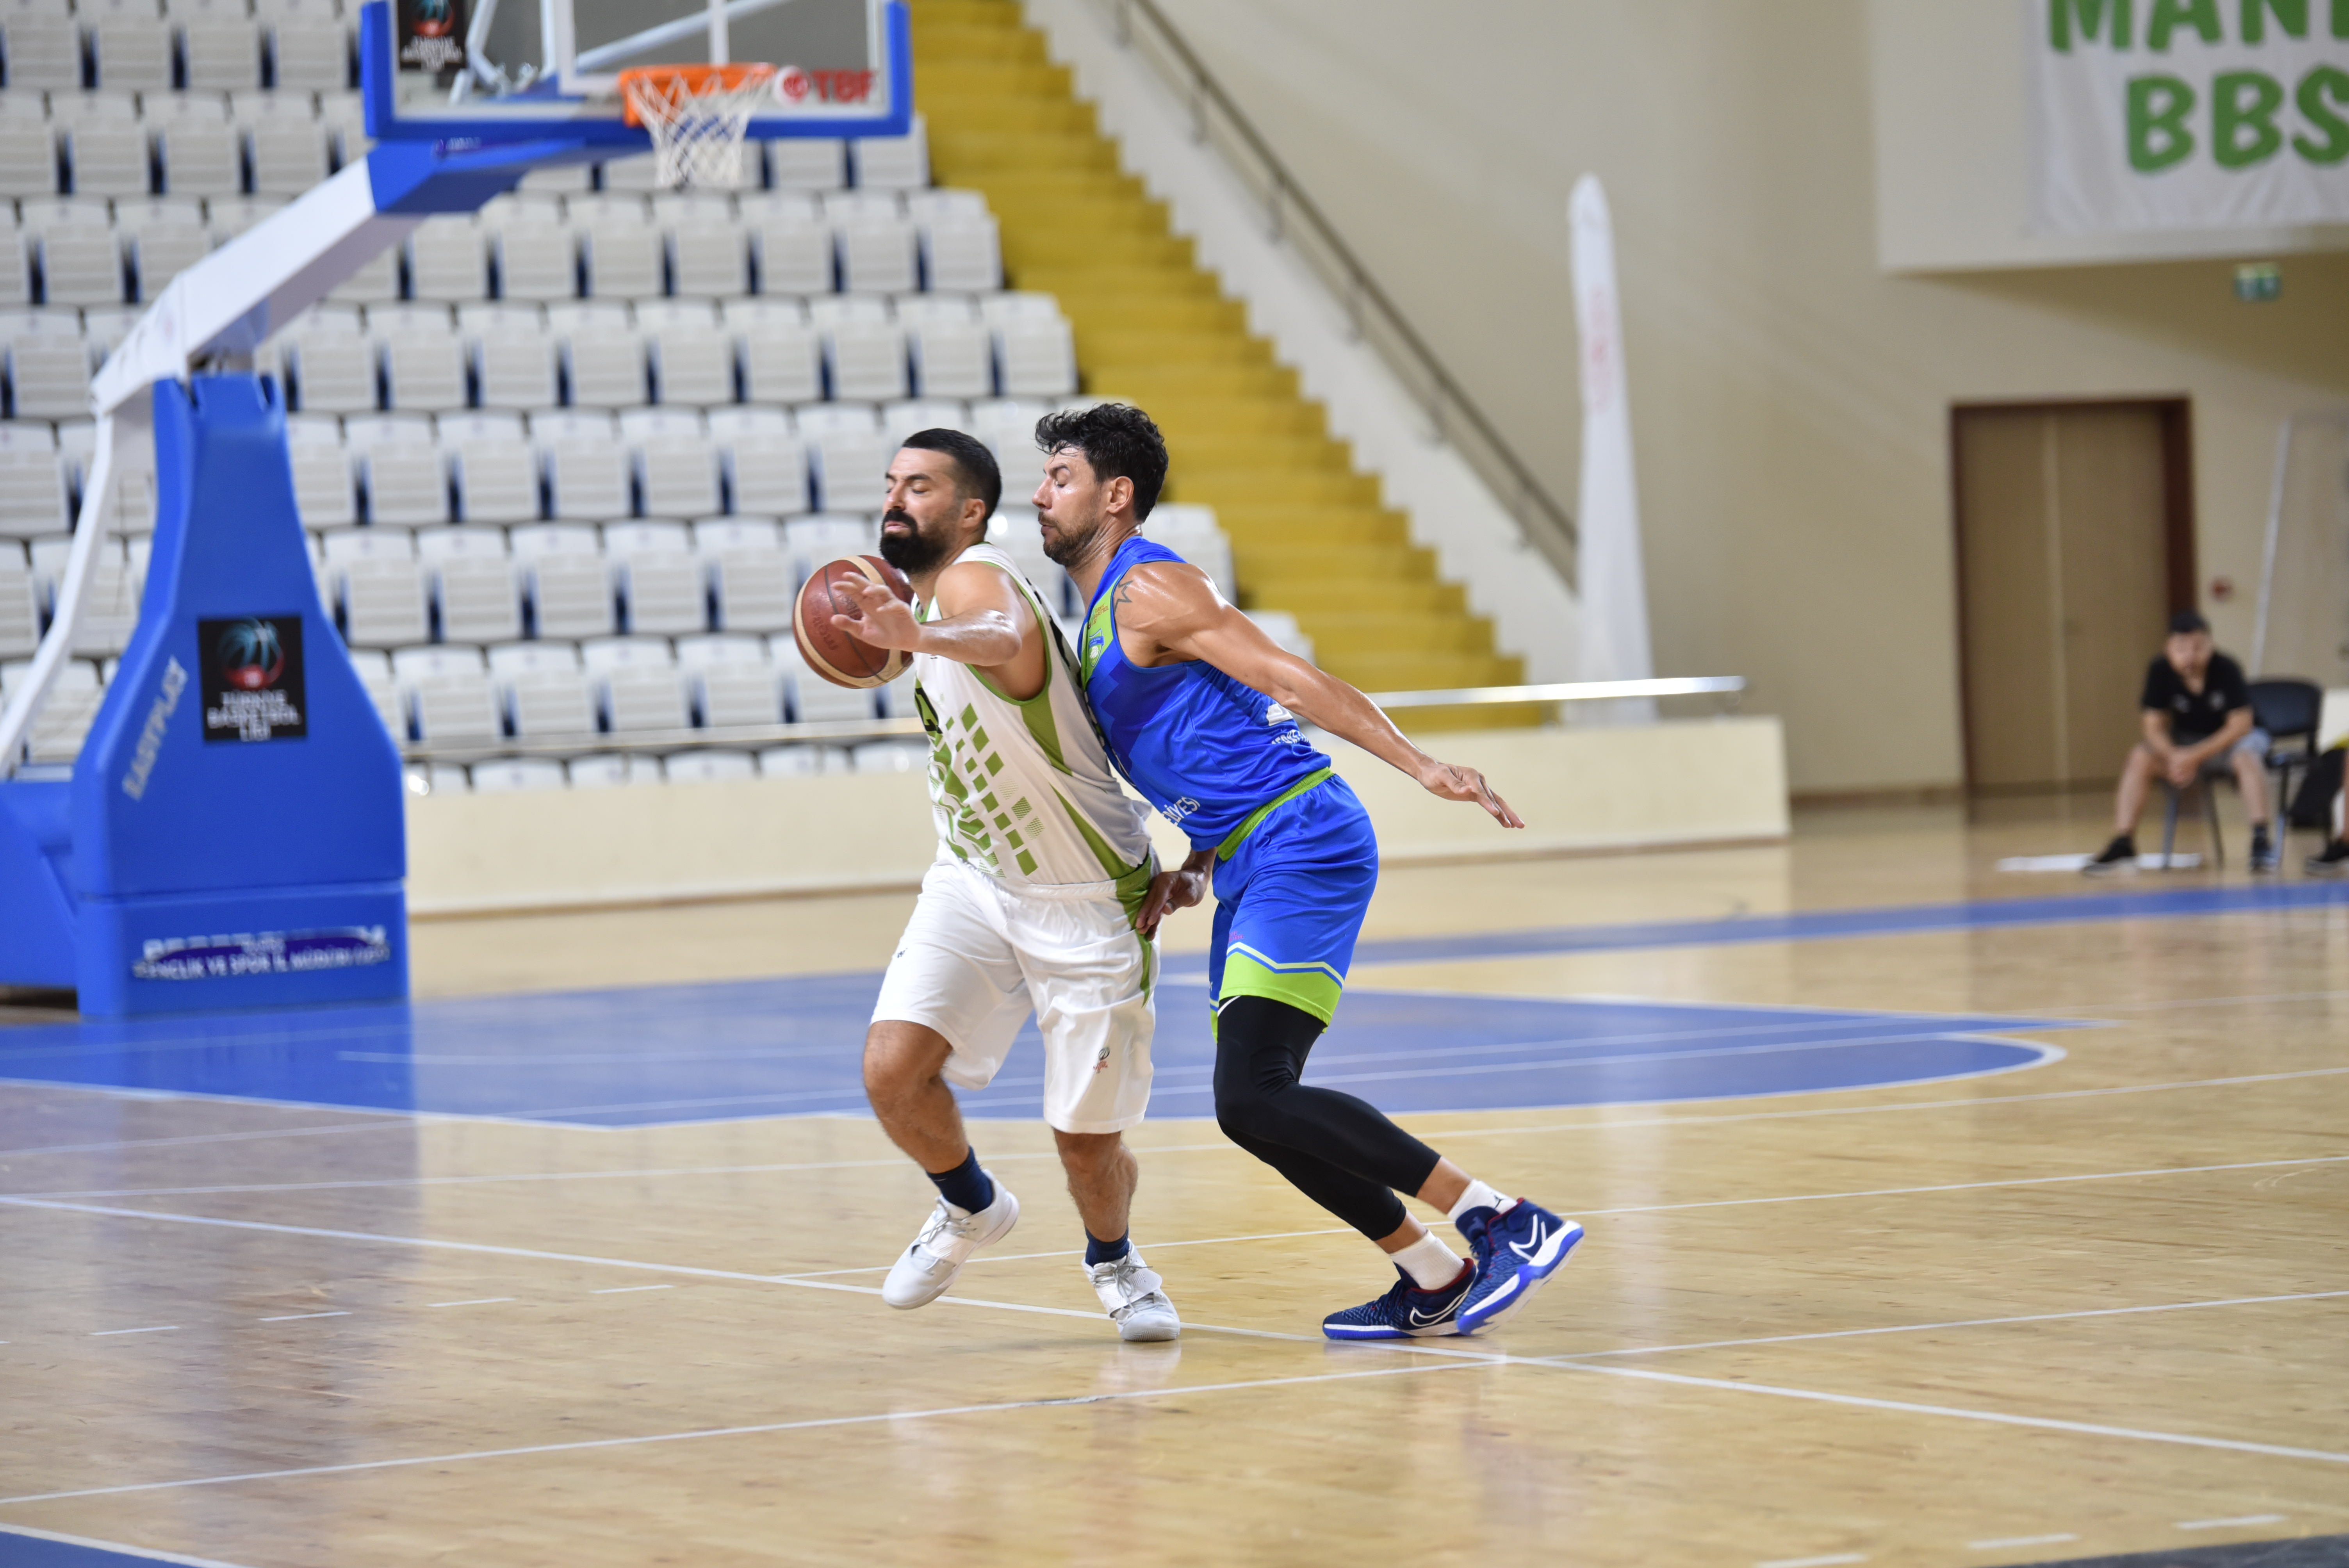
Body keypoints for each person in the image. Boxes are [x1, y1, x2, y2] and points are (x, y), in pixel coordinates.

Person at [1030, 402, 1584, 1341]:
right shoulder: (1097, 620)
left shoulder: (1148, 587)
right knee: (1252, 1108)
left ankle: (1500, 1218)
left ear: (1115, 495)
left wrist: (1420, 765)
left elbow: (1287, 680)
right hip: (1251, 850)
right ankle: (1433, 1271)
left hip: (1300, 836)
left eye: (1060, 478)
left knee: (1255, 1090)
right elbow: (1212, 734)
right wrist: (1195, 862)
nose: (1041, 495)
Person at [828, 428, 1183, 1342]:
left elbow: (1003, 636)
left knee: (1084, 1143)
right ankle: (971, 1205)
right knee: (891, 1070)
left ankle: (1116, 1260)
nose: (896, 498)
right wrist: (911, 629)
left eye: (920, 486)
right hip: (974, 877)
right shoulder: (925, 600)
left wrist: (917, 633)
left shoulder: (977, 579)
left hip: (1085, 895)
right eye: (891, 483)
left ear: (970, 511)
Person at [2086, 611, 2277, 875]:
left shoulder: (2226, 668)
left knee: (2247, 757)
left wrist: (2193, 757)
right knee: (2141, 756)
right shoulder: (2159, 669)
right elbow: (2152, 726)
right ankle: (2123, 842)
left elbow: (2240, 725)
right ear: (2168, 648)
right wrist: (2174, 755)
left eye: (2198, 648)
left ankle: (2261, 840)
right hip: (2185, 744)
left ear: (2211, 645)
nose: (2190, 656)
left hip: (2230, 741)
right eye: (2182, 649)